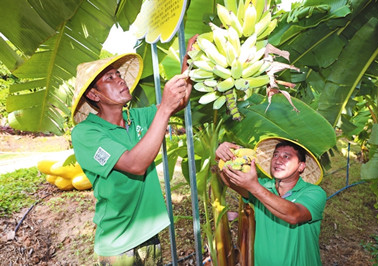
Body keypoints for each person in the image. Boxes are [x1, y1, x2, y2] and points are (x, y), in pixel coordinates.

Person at [70, 36, 196, 265]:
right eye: (110, 78)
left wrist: (190, 62)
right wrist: (164, 108)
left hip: (149, 234)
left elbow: (180, 101)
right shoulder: (86, 133)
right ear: (93, 95)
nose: (120, 80)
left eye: (119, 75)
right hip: (118, 245)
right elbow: (135, 165)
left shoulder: (136, 116)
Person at [216, 137, 326, 265]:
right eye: (275, 155)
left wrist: (254, 187)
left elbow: (294, 215)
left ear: (301, 166)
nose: (278, 160)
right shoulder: (263, 186)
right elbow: (230, 182)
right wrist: (221, 158)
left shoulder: (314, 192)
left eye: (286, 157)